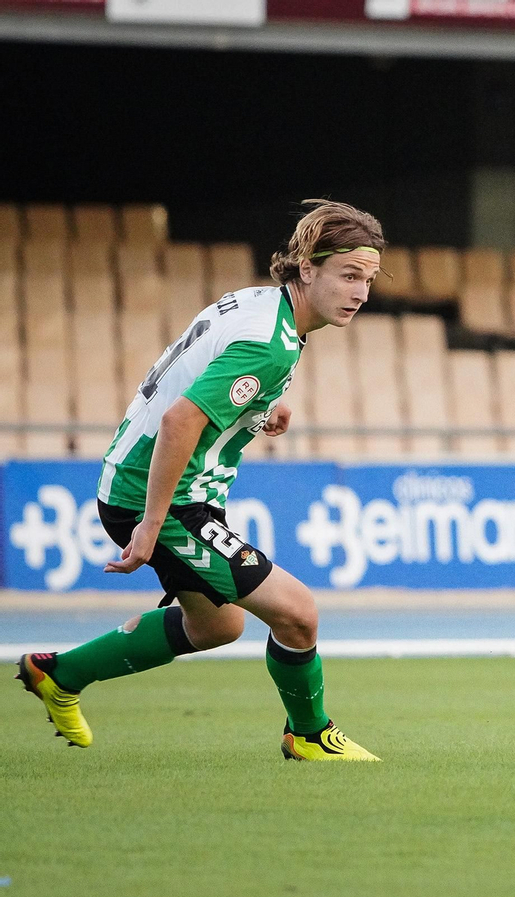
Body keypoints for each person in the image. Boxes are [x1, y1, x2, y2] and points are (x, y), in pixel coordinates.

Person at [15, 199, 384, 762]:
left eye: (369, 280)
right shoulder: (270, 343)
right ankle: (310, 734)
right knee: (298, 613)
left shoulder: (262, 306)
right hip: (160, 497)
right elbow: (180, 420)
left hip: (145, 483)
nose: (361, 292)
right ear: (308, 268)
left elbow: (195, 374)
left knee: (218, 626)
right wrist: (151, 524)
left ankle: (59, 674)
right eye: (349, 275)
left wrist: (261, 409)